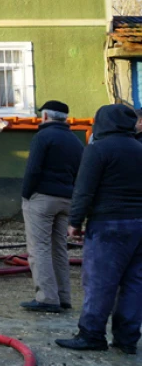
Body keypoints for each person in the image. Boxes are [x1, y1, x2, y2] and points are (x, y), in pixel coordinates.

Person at [56, 104, 142, 354]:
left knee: (100, 282)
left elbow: (84, 188)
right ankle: (127, 339)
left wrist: (75, 222)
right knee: (135, 283)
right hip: (139, 224)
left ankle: (92, 335)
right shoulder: (140, 148)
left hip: (108, 225)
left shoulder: (98, 149)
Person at [19, 100, 83, 313]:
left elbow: (33, 169)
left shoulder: (43, 136)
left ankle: (46, 297)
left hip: (42, 198)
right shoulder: (75, 140)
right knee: (59, 248)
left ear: (45, 116)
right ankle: (63, 296)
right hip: (67, 198)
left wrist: (26, 195)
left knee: (39, 247)